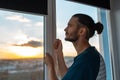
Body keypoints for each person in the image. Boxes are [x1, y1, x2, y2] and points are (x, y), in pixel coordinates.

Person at [45, 13, 106, 80]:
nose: (65, 29)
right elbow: (67, 76)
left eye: (70, 26)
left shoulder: (87, 60)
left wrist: (50, 67)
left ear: (82, 31)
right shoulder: (89, 55)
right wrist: (59, 52)